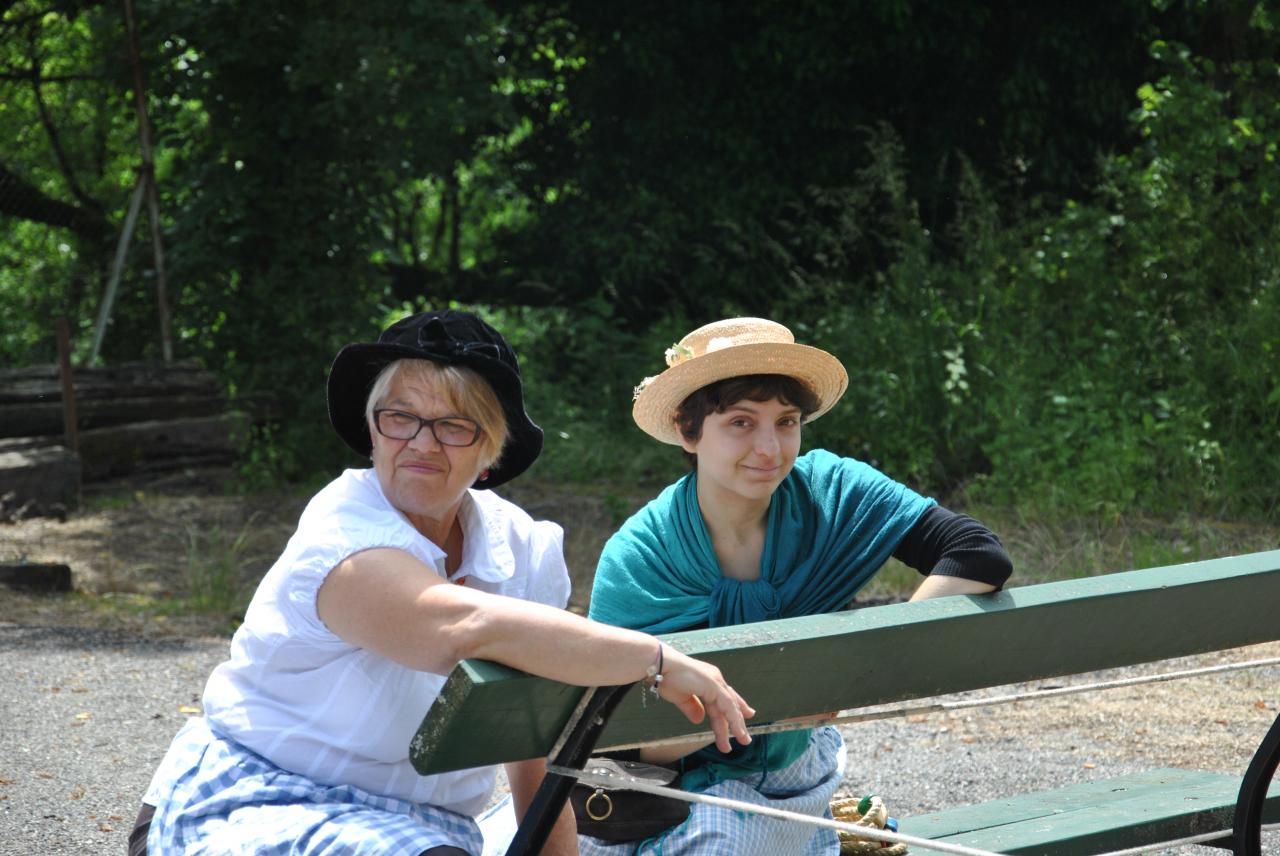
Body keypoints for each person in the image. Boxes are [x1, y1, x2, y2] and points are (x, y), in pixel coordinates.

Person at [128, 309, 754, 856]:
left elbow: (531, 751)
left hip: (423, 828)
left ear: (491, 453)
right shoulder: (343, 537)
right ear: (372, 428)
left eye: (456, 426)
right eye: (400, 417)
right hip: (258, 802)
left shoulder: (523, 549)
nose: (422, 444)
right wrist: (655, 660)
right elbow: (460, 627)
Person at [581, 317, 1013, 855]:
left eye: (786, 421)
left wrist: (860, 666)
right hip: (662, 798)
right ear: (688, 431)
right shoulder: (640, 555)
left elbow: (976, 554)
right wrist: (779, 693)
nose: (770, 448)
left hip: (795, 776)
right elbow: (618, 739)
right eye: (741, 422)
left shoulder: (834, 492)